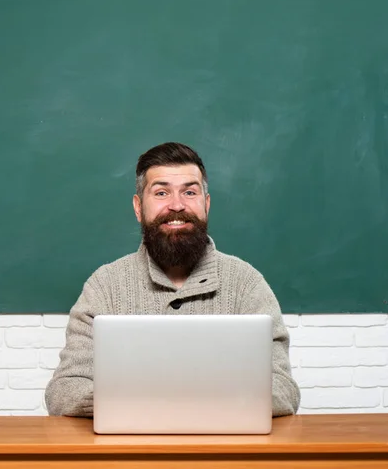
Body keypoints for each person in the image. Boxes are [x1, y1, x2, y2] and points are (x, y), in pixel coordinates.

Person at [45, 142, 300, 417]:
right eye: (162, 192)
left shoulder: (246, 284)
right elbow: (63, 391)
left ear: (206, 203)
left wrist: (175, 398)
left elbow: (284, 390)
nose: (177, 205)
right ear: (138, 207)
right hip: (132, 456)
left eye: (190, 192)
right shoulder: (105, 286)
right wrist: (150, 401)